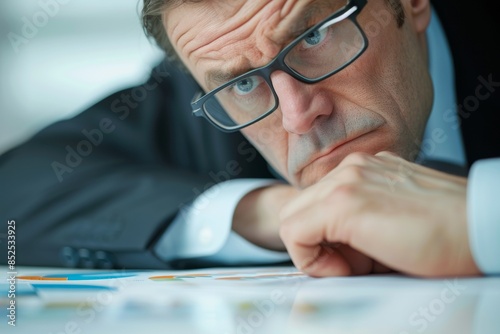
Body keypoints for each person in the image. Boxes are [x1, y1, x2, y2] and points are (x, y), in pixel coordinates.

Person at [1, 0, 499, 277]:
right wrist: (272, 212)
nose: (299, 117)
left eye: (314, 38)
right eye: (243, 84)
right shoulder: (217, 78)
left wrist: (481, 217)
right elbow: (14, 195)